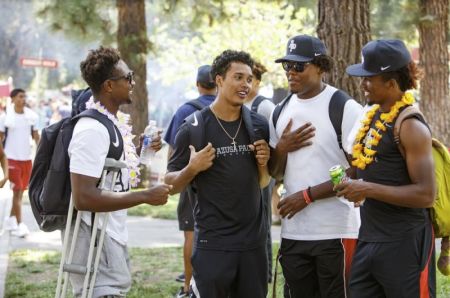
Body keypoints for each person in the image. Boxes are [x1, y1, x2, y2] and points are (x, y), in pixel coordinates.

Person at [165, 49, 270, 298]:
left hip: (253, 247)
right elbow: (170, 184)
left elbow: (263, 182)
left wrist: (264, 163)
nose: (246, 84)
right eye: (238, 77)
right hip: (213, 246)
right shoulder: (193, 127)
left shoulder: (258, 125)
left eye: (249, 79)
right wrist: (192, 168)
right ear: (219, 80)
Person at [68, 46, 172, 297]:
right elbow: (83, 197)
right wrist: (146, 196)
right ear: (108, 86)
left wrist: (137, 150)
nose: (133, 82)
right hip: (94, 238)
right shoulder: (91, 129)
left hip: (110, 232)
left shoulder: (111, 124)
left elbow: (111, 178)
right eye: (127, 77)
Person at [337, 39, 436, 298]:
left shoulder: (411, 125)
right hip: (369, 238)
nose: (362, 84)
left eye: (369, 79)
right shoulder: (372, 116)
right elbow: (374, 166)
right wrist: (350, 178)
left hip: (405, 243)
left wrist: (366, 188)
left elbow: (426, 194)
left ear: (391, 83)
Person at [268, 35, 362, 297]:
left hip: (336, 231)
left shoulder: (343, 107)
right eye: (287, 66)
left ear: (321, 66)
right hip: (295, 233)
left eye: (299, 66)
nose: (291, 72)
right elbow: (275, 173)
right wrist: (282, 149)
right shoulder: (280, 111)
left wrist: (308, 196)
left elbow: (358, 170)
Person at [164, 64, 216, 298]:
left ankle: (188, 287)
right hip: (220, 181)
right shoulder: (226, 108)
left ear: (197, 85)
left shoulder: (185, 110)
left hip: (190, 177)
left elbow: (174, 150)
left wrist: (173, 176)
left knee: (191, 233)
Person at [243, 61, 276, 282]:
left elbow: (275, 143)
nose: (246, 84)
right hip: (245, 174)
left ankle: (265, 273)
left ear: (258, 82)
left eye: (250, 79)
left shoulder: (264, 106)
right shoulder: (239, 104)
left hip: (263, 172)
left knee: (262, 220)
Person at [0, 88, 39, 237]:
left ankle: (10, 220)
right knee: (16, 193)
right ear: (13, 99)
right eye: (20, 96)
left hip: (26, 159)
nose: (23, 99)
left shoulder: (31, 117)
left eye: (25, 96)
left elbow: (36, 137)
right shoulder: (5, 118)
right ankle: (20, 224)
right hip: (11, 159)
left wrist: (42, 154)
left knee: (21, 192)